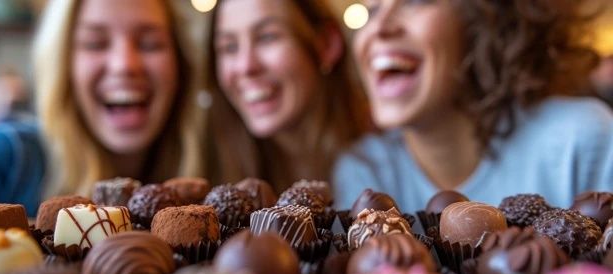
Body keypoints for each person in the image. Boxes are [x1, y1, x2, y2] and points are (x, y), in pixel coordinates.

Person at [333, 0, 613, 214]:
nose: (379, 28)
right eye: (371, 11)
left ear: (483, 19)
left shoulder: (581, 142)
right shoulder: (362, 171)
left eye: (415, 0)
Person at [0, 0, 206, 217]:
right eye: (95, 43)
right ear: (63, 64)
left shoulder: (210, 173)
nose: (124, 65)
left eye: (149, 44)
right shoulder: (2, 161)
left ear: (181, 65)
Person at [205, 0, 369, 193]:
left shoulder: (394, 162)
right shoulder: (210, 170)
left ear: (327, 44)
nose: (245, 66)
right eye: (229, 47)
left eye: (267, 37)